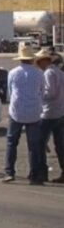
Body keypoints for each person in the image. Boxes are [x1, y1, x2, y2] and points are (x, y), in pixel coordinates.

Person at [3, 46, 45, 184]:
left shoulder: (13, 73)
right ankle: (35, 175)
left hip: (17, 111)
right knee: (34, 146)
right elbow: (42, 92)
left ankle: (9, 172)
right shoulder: (39, 73)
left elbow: (10, 91)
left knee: (11, 143)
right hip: (34, 111)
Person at [37, 49, 64, 183]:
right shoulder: (59, 72)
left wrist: (39, 93)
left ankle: (42, 173)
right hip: (60, 111)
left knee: (40, 143)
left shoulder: (48, 73)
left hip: (48, 113)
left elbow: (50, 93)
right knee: (60, 145)